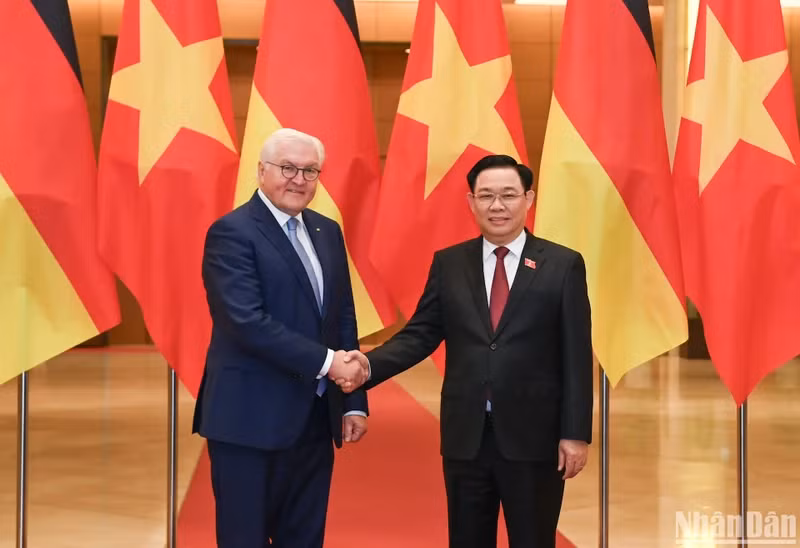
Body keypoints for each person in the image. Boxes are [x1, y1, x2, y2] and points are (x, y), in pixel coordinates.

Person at [338, 154, 593, 548]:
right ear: (470, 202)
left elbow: (576, 355)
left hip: (534, 437)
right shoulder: (450, 263)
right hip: (466, 436)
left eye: (508, 195)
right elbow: (420, 335)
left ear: (529, 198)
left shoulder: (562, 265)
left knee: (533, 539)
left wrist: (575, 433)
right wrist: (367, 364)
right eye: (486, 195)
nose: (497, 206)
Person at [192, 128, 370, 548]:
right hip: (247, 421)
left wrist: (353, 402)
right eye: (287, 168)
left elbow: (341, 316)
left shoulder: (328, 232)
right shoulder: (232, 232)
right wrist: (330, 364)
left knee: (305, 538)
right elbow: (246, 321)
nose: (298, 179)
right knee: (244, 539)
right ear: (261, 171)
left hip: (313, 419)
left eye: (310, 170)